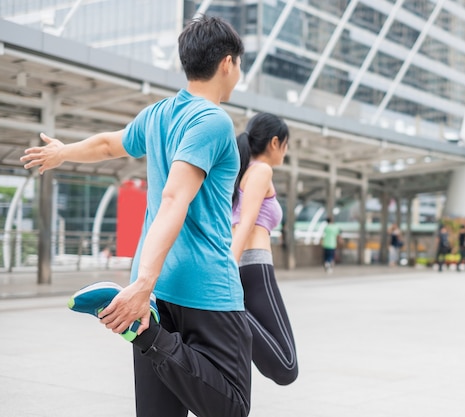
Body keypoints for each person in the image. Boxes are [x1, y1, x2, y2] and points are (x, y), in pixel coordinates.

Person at [21, 15, 253, 417]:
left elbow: (110, 145)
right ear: (228, 63)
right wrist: (142, 285)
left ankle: (147, 334)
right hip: (205, 287)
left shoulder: (159, 114)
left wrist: (63, 152)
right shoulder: (212, 120)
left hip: (159, 290)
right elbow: (174, 197)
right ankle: (149, 337)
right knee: (232, 405)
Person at [231, 112, 298, 386]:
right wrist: (226, 270)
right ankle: (223, 310)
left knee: (281, 366)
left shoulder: (240, 173)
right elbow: (245, 224)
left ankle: (225, 310)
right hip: (256, 268)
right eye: (286, 143)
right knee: (286, 365)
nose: (286, 150)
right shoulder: (261, 171)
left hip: (246, 267)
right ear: (274, 142)